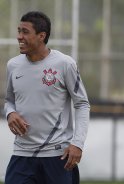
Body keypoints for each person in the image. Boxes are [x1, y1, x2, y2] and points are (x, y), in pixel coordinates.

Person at [4, 11, 90, 184]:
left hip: (57, 155)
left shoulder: (65, 64)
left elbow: (82, 104)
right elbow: (9, 101)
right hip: (22, 154)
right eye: (19, 31)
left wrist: (78, 143)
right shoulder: (13, 65)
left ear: (41, 36)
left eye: (25, 32)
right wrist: (10, 113)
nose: (19, 37)